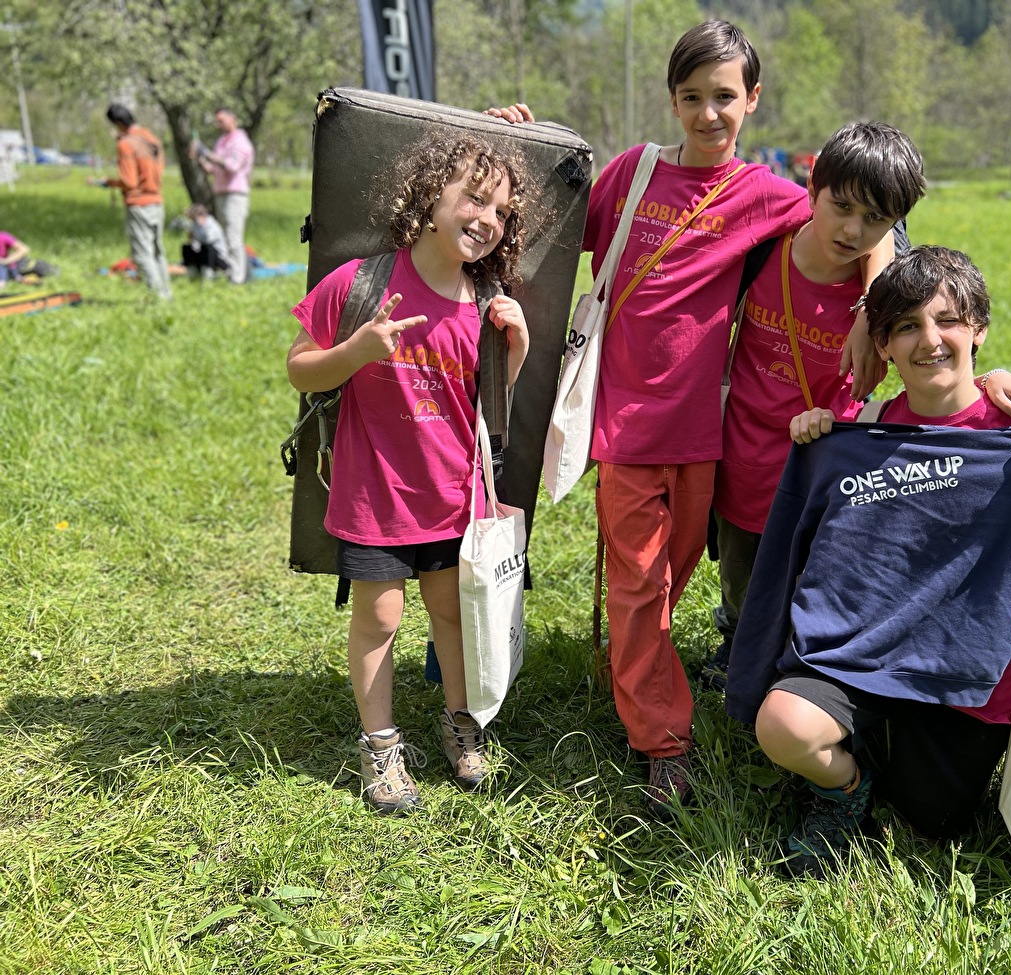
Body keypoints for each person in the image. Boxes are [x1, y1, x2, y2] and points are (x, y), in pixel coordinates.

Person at [490, 21, 898, 817]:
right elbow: (538, 226)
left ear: (752, 100)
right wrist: (514, 151)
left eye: (724, 97)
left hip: (707, 437)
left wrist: (870, 308)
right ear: (672, 100)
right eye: (692, 97)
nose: (709, 114)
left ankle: (645, 668)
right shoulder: (632, 176)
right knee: (640, 587)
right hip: (628, 429)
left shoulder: (768, 196)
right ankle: (662, 742)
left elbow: (861, 220)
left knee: (667, 583)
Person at [727, 246, 1011, 874]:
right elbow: (792, 546)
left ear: (978, 330)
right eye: (906, 327)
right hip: (857, 652)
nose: (930, 340)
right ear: (884, 346)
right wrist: (821, 439)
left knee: (931, 823)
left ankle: (891, 748)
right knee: (783, 728)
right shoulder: (857, 432)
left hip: (965, 672)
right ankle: (843, 787)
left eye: (947, 321)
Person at [703, 122, 1011, 693]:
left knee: (823, 588)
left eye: (873, 219)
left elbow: (942, 357)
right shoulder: (763, 250)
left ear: (895, 221)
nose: (852, 230)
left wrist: (996, 378)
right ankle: (741, 640)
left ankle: (810, 675)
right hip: (744, 459)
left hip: (837, 473)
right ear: (813, 184)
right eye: (841, 207)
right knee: (747, 581)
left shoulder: (892, 296)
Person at [286, 132, 535, 813]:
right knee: (380, 618)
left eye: (501, 210)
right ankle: (380, 746)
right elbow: (300, 366)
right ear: (429, 198)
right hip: (376, 498)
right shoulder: (363, 284)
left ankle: (462, 722)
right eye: (473, 197)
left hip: (454, 497)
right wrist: (356, 350)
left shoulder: (487, 301)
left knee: (452, 615)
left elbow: (489, 406)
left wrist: (516, 349)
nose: (486, 218)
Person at [96, 104, 171, 299]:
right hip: (157, 199)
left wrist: (108, 182)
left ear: (117, 123)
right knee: (157, 251)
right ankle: (167, 293)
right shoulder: (152, 139)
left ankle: (158, 298)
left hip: (139, 203)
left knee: (141, 254)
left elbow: (129, 181)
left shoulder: (126, 144)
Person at [192, 108, 254, 284]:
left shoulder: (240, 141)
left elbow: (232, 166)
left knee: (234, 236)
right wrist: (200, 157)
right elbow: (213, 168)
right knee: (226, 237)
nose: (218, 124)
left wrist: (207, 153)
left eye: (221, 120)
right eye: (216, 121)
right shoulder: (221, 141)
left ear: (233, 118)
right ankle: (238, 273)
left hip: (235, 194)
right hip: (221, 192)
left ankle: (237, 278)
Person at [179, 204, 231, 280]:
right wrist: (191, 237)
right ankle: (192, 269)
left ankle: (209, 271)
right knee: (186, 247)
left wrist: (198, 233)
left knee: (207, 247)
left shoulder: (211, 225)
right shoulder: (194, 225)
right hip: (203, 252)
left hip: (217, 255)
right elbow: (193, 241)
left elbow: (208, 240)